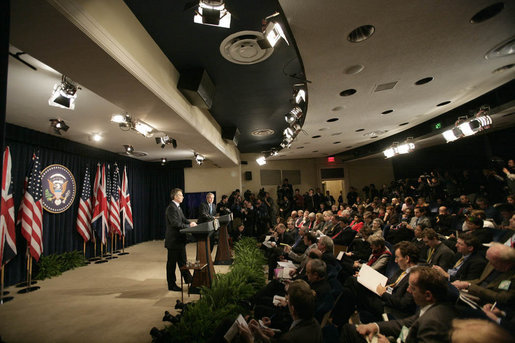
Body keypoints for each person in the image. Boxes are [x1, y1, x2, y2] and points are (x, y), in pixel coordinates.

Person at [341, 266, 457, 343]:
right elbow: (406, 323)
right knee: (350, 330)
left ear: (428, 295)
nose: (409, 291)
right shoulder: (430, 307)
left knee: (349, 332)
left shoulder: (436, 322)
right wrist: (376, 326)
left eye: (413, 288)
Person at [239, 279, 323, 343]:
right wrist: (264, 335)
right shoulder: (314, 323)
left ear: (292, 309)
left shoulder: (290, 338)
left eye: (288, 301)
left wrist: (250, 339)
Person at [165, 188, 197, 291]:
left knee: (183, 261)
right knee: (171, 264)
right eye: (181, 195)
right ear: (175, 197)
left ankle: (188, 279)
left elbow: (183, 220)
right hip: (174, 241)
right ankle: (171, 285)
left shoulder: (178, 207)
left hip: (180, 240)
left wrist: (191, 223)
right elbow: (175, 224)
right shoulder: (171, 208)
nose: (182, 196)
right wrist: (188, 226)